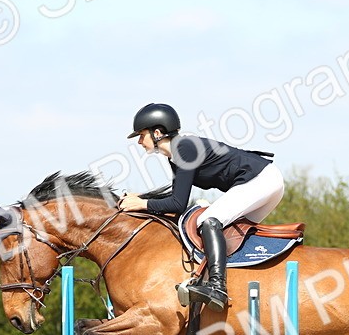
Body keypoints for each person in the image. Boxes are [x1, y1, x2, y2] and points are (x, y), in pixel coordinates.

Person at [117, 103, 285, 310]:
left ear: (158, 132)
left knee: (208, 221)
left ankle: (217, 287)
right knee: (230, 234)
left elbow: (177, 205)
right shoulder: (178, 153)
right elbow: (177, 196)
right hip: (265, 181)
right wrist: (141, 198)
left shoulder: (184, 148)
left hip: (261, 180)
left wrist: (142, 204)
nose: (140, 141)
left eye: (141, 135)